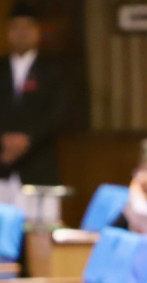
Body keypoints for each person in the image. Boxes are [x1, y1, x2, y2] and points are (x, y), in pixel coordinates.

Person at [0, 2, 68, 222]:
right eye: (15, 28)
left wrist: (26, 140)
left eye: (27, 27)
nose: (21, 33)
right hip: (3, 164)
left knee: (40, 234)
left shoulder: (54, 69)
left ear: (37, 31)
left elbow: (60, 112)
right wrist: (5, 140)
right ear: (8, 32)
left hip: (39, 165)